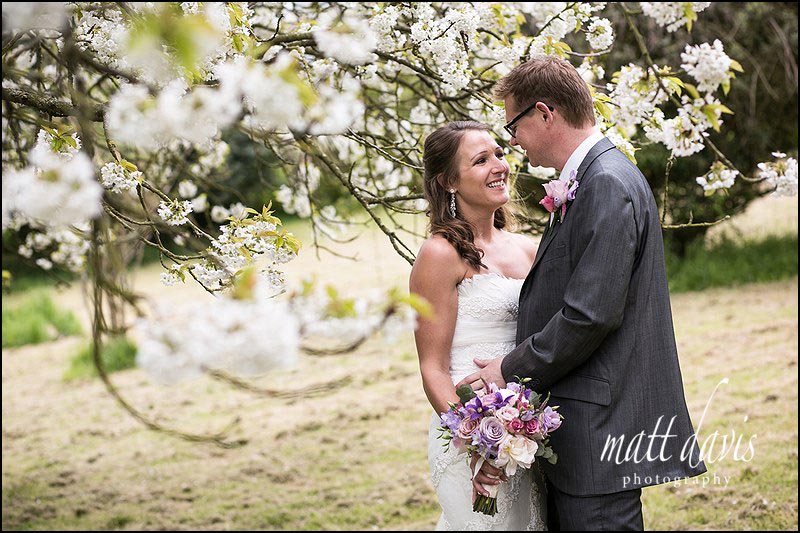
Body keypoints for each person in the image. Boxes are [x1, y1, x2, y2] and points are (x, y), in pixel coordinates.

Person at [457, 55, 707, 530]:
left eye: (514, 124)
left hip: (600, 435)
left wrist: (508, 369)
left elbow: (590, 314)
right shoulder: (592, 179)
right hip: (584, 433)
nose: (512, 140)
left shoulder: (606, 184)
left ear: (545, 113)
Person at [410, 121, 546, 530]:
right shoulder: (439, 254)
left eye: (500, 155)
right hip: (464, 434)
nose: (499, 166)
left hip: (527, 431)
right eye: (481, 160)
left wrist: (517, 432)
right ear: (449, 181)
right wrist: (477, 440)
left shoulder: (529, 249)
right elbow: (432, 367)